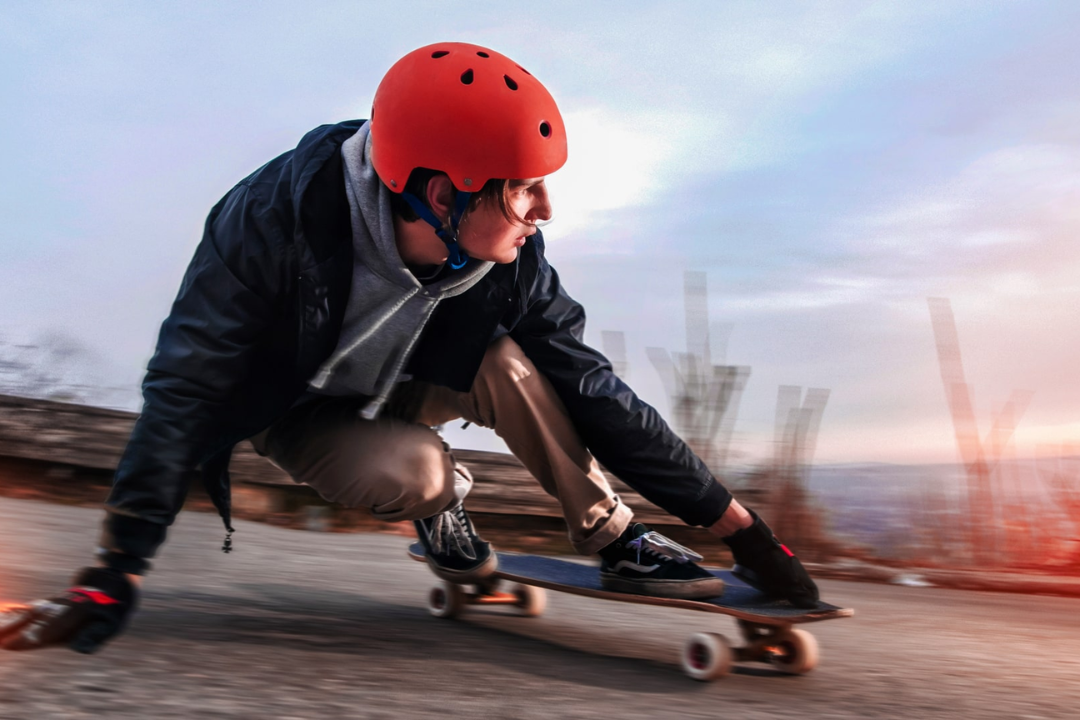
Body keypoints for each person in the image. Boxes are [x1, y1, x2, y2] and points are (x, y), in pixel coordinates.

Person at [0, 42, 818, 654]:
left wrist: (740, 529)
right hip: (304, 411)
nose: (544, 209)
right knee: (418, 472)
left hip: (413, 378)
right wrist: (117, 568)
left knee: (509, 360)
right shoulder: (266, 225)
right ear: (441, 191)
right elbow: (183, 386)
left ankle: (614, 538)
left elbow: (592, 390)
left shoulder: (511, 261)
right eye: (523, 188)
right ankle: (439, 513)